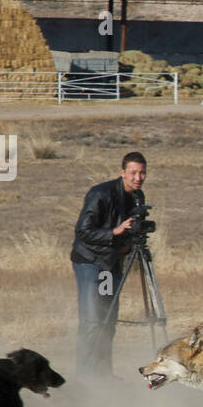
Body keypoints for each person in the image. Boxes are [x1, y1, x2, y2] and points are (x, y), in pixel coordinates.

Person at [71, 151, 148, 380]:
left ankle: (104, 374)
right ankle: (84, 378)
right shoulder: (100, 194)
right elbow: (82, 231)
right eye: (133, 172)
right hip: (91, 262)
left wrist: (127, 242)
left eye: (142, 172)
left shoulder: (137, 196)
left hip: (109, 264)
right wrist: (114, 232)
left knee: (108, 319)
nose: (138, 177)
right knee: (93, 320)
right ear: (122, 172)